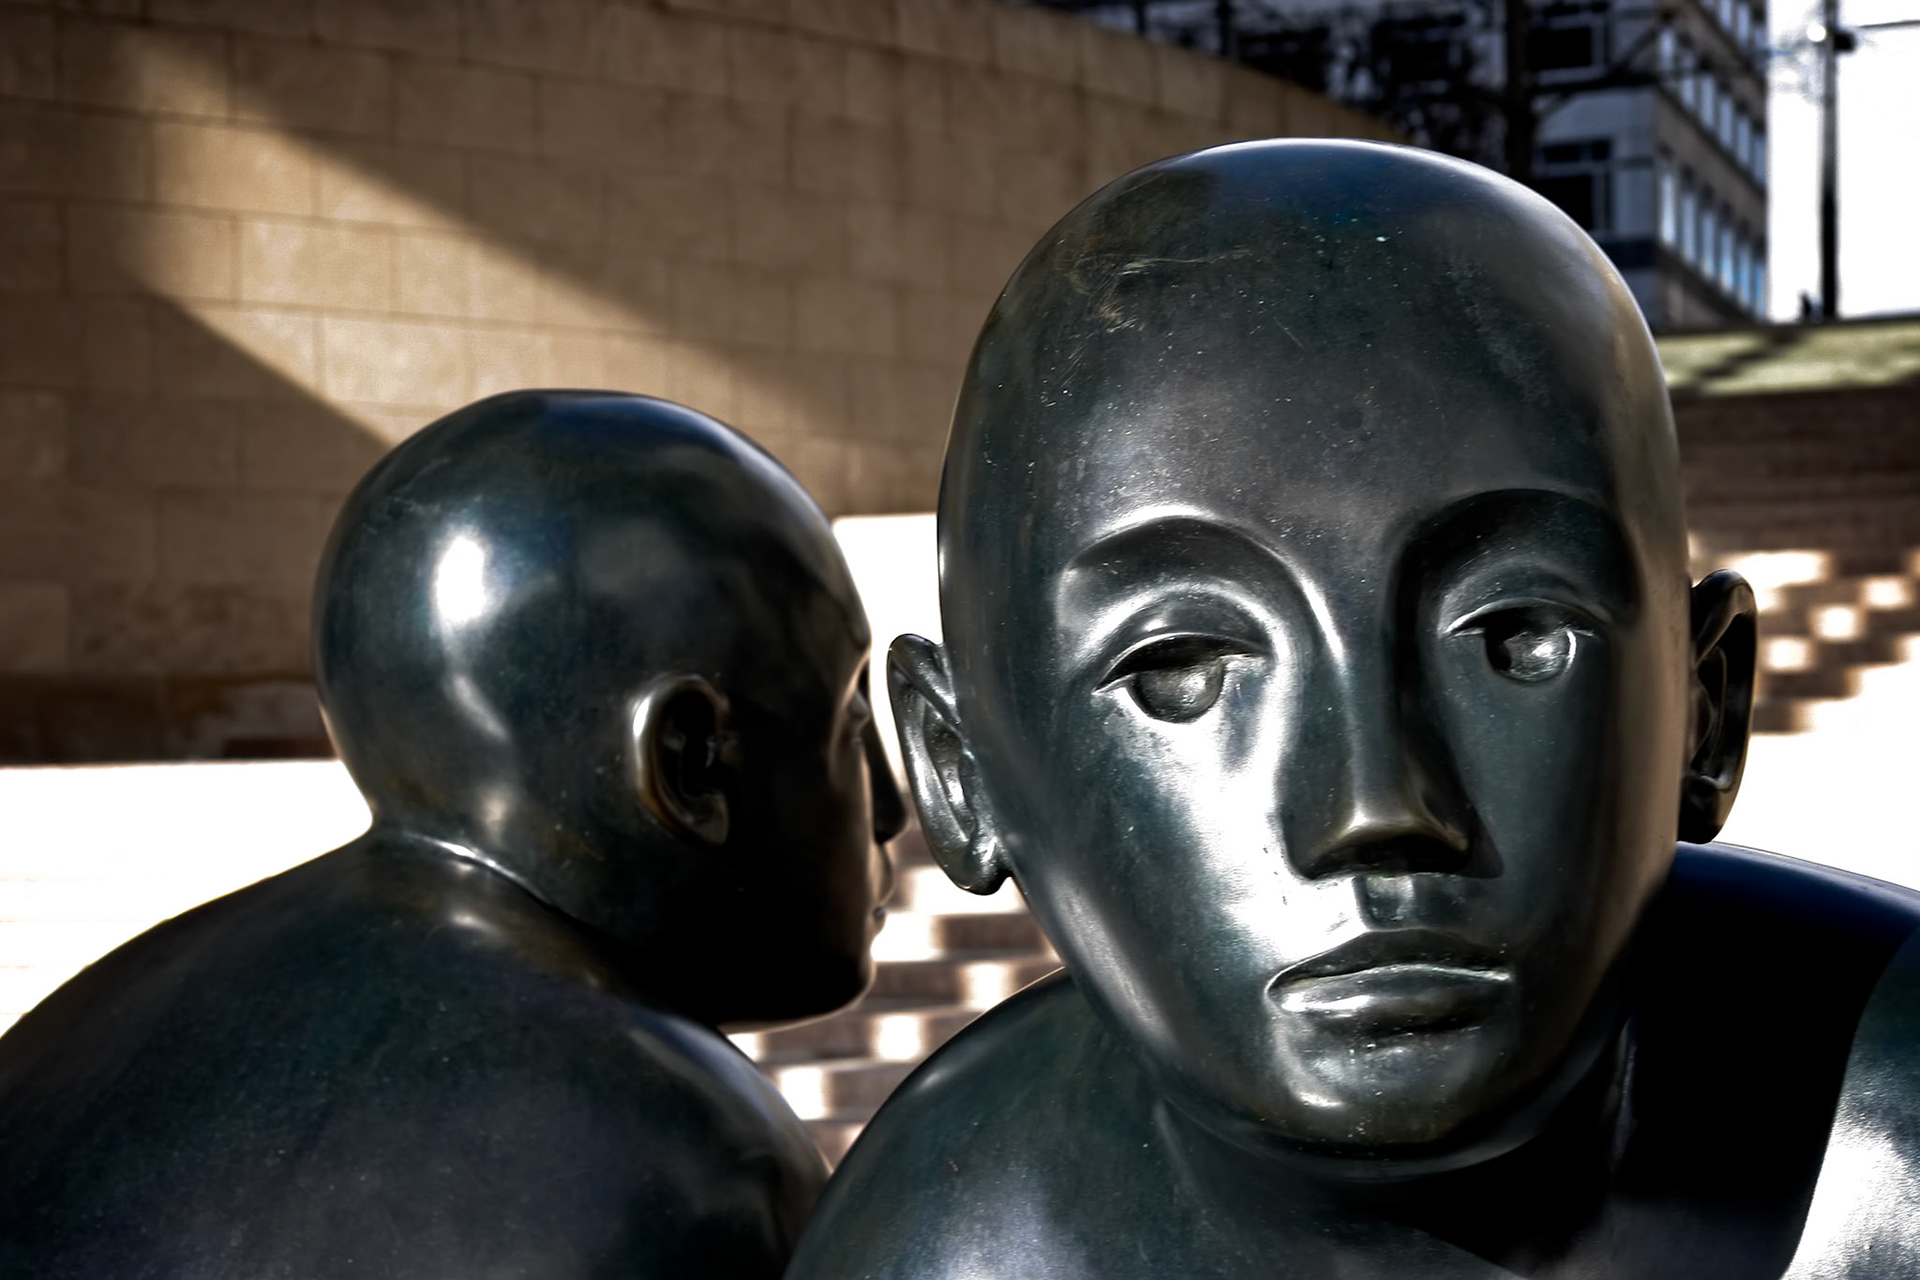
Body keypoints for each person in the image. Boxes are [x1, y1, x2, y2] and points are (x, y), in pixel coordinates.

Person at [785, 140, 1920, 1279]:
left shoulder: (1890, 1152)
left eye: (1515, 638)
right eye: (1180, 666)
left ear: (1706, 707)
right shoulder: (946, 1249)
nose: (1377, 803)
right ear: (959, 769)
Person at [0, 390, 905, 1278]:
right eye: (851, 721)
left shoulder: (75, 1037)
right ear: (690, 763)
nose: (894, 809)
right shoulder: (683, 1157)